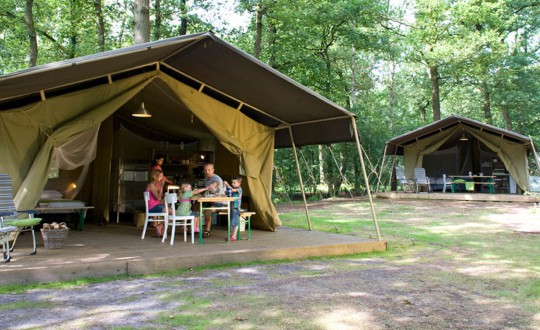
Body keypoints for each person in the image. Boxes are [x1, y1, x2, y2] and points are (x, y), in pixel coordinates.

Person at [201, 163, 224, 237]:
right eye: (205, 170)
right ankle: (194, 228)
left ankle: (207, 230)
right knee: (195, 206)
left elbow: (216, 183)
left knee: (207, 211)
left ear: (213, 170)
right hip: (210, 200)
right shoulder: (206, 179)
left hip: (219, 202)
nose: (207, 172)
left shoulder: (216, 178)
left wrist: (213, 186)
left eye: (209, 170)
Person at [146, 169, 166, 237]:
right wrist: (162, 187)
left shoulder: (154, 185)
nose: (161, 178)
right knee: (173, 212)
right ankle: (160, 226)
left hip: (156, 205)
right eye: (160, 176)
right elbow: (159, 198)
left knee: (174, 212)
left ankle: (160, 226)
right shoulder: (151, 185)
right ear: (155, 176)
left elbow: (158, 199)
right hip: (152, 207)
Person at [223, 176, 242, 241]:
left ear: (239, 183)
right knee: (232, 221)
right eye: (232, 182)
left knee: (235, 222)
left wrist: (227, 184)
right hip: (232, 207)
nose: (233, 184)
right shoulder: (233, 188)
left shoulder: (239, 189)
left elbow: (233, 190)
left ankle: (234, 236)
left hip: (236, 208)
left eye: (234, 182)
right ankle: (233, 235)